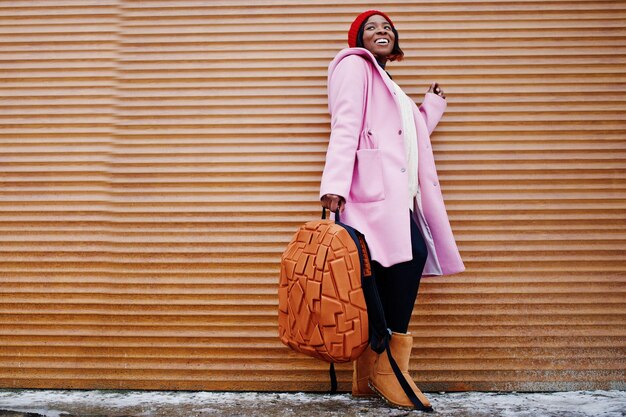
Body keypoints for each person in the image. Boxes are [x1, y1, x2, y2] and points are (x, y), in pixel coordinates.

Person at [319, 10, 465, 411]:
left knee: (383, 276)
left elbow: (405, 133)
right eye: (371, 28)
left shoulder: (389, 84)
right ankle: (388, 370)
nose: (381, 31)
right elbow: (344, 124)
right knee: (408, 258)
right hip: (370, 194)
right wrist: (333, 185)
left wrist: (430, 109)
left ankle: (368, 377)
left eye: (387, 28)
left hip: (395, 195)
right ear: (358, 39)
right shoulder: (354, 66)